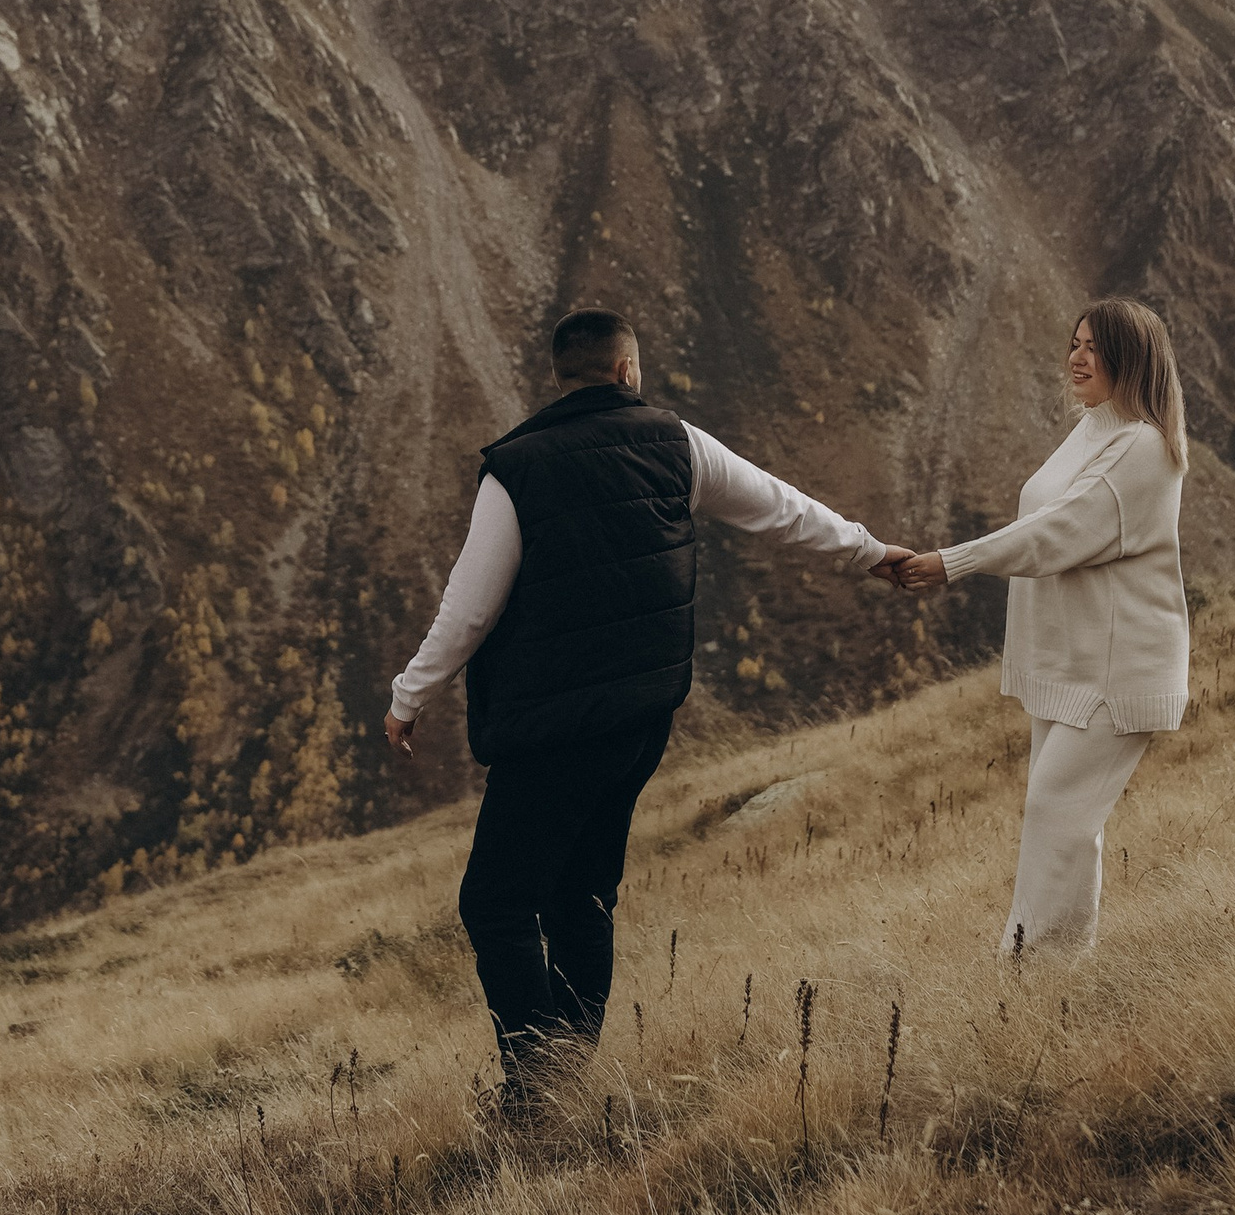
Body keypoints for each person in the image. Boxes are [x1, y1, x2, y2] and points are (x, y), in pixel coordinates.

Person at [385, 306, 909, 1116]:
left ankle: (537, 1092)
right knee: (582, 895)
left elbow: (469, 609)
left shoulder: (516, 469)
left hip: (554, 728)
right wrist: (872, 552)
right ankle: (564, 1076)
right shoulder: (676, 441)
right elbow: (782, 508)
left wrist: (409, 695)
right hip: (641, 719)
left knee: (494, 903)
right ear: (628, 370)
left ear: (560, 377)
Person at [896, 298, 1190, 955]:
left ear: (1132, 358)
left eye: (1095, 346)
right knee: (1058, 821)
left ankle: (1030, 980)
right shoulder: (1092, 428)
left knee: (1056, 815)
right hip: (1070, 666)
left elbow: (1056, 534)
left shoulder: (1143, 447)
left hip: (1117, 673)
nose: (1078, 357)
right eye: (1075, 343)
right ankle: (1049, 980)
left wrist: (954, 562)